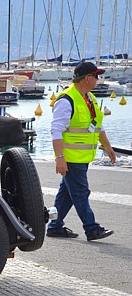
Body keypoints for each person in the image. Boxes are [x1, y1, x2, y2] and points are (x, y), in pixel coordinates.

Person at [47, 61, 116, 241]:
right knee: (80, 193)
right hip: (71, 157)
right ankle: (91, 228)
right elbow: (56, 130)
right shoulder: (66, 100)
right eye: (96, 76)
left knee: (68, 194)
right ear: (86, 79)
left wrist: (108, 146)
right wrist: (59, 158)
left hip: (82, 156)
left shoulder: (90, 99)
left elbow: (97, 127)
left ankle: (54, 226)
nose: (98, 80)